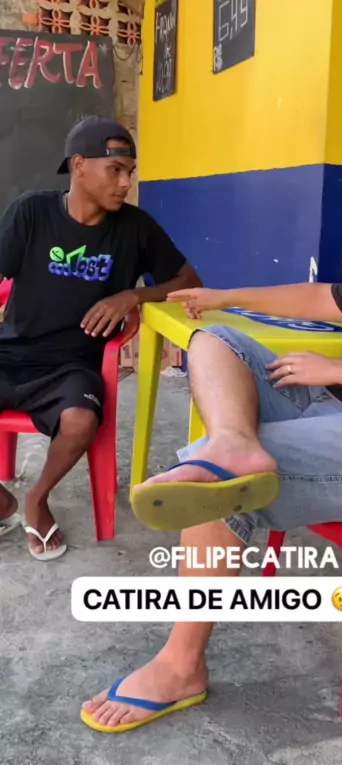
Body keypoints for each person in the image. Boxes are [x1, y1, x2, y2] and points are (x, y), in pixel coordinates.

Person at [82, 142, 342, 733]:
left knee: (213, 488)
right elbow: (322, 298)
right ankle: (233, 443)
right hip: (341, 412)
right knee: (215, 341)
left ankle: (181, 666)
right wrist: (225, 297)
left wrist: (340, 371)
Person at [0, 115, 202, 559]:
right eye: (115, 170)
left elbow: (189, 280)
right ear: (79, 166)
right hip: (11, 352)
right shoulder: (31, 213)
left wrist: (133, 295)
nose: (126, 182)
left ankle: (36, 499)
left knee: (80, 423)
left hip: (74, 367)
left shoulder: (136, 228)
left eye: (130, 171)